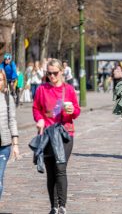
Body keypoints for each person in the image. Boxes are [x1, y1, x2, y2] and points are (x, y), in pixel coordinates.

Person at [33, 59, 80, 214]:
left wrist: (72, 110)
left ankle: (62, 206)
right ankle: (53, 206)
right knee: (51, 170)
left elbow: (77, 112)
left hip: (65, 133)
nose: (52, 76)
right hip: (47, 133)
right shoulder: (42, 89)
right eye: (49, 73)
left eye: (55, 73)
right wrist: (39, 119)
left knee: (60, 167)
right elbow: (36, 108)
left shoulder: (69, 90)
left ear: (61, 72)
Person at [0, 69, 19, 199]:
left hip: (4, 145)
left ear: (4, 81)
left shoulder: (7, 98)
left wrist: (15, 144)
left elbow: (12, 121)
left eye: (0, 79)